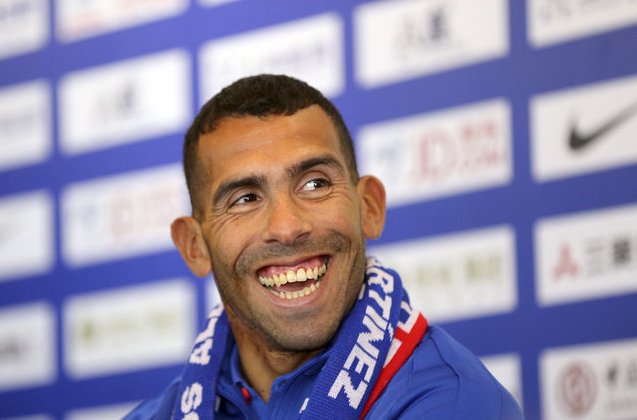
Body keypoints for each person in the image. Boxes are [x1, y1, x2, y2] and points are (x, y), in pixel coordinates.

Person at [124, 74, 524, 419]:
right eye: (245, 199)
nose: (286, 227)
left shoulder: (455, 403)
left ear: (369, 208)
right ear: (195, 247)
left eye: (315, 184)